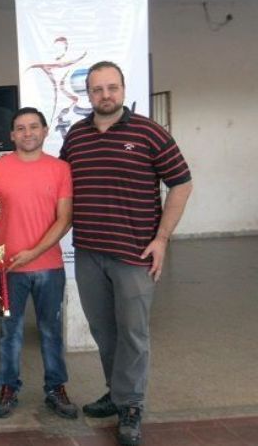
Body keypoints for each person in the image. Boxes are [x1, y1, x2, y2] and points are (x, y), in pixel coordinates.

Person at [60, 61, 193, 446]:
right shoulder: (76, 137)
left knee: (133, 333)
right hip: (89, 252)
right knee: (104, 331)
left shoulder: (149, 132)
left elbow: (181, 183)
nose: (105, 95)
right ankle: (116, 393)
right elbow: (63, 188)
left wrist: (162, 238)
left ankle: (131, 405)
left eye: (112, 87)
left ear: (122, 89)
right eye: (97, 89)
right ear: (88, 94)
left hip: (134, 255)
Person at [0, 107, 76, 419]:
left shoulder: (61, 169)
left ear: (44, 131)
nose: (28, 133)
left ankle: (56, 389)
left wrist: (34, 252)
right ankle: (8, 388)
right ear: (12, 135)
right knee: (9, 332)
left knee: (51, 331)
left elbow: (64, 219)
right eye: (21, 128)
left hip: (49, 267)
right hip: (7, 268)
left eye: (33, 127)